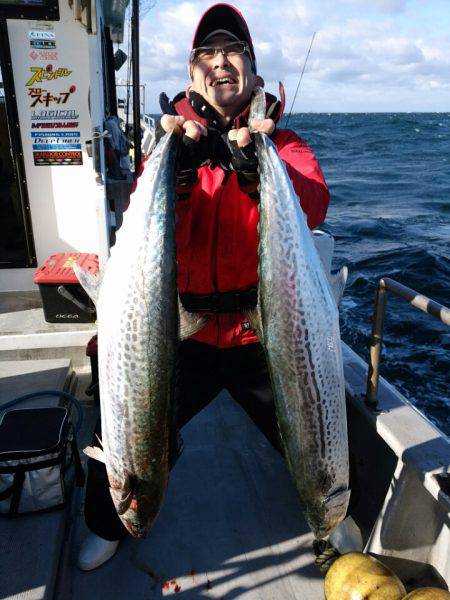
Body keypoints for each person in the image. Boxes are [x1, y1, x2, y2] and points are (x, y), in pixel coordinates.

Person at [78, 3, 330, 571]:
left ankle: (335, 505)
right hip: (182, 332)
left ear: (253, 69)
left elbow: (314, 204)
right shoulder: (175, 144)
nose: (221, 62)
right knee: (125, 431)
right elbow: (147, 214)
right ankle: (106, 521)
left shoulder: (282, 142)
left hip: (256, 337)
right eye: (207, 54)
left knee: (312, 429)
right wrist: (177, 174)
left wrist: (261, 169)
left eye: (233, 50)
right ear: (193, 74)